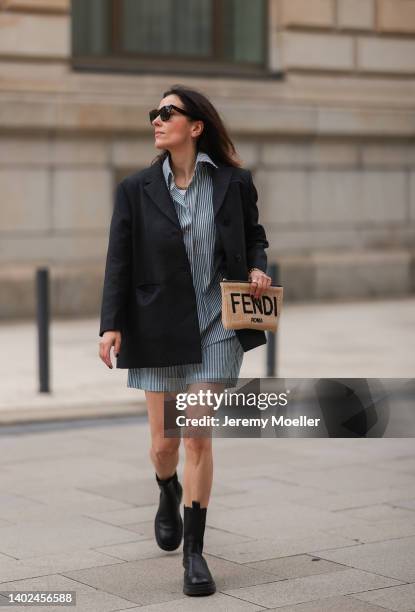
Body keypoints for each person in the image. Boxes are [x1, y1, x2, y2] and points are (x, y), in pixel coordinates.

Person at [98, 84, 271, 596]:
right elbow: (118, 261)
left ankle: (194, 554)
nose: (157, 119)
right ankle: (165, 487)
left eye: (168, 112)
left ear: (196, 127)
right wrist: (111, 324)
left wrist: (259, 267)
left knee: (196, 434)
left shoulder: (234, 183)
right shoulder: (135, 190)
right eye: (155, 112)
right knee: (164, 445)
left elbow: (255, 236)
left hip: (219, 324)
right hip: (157, 327)